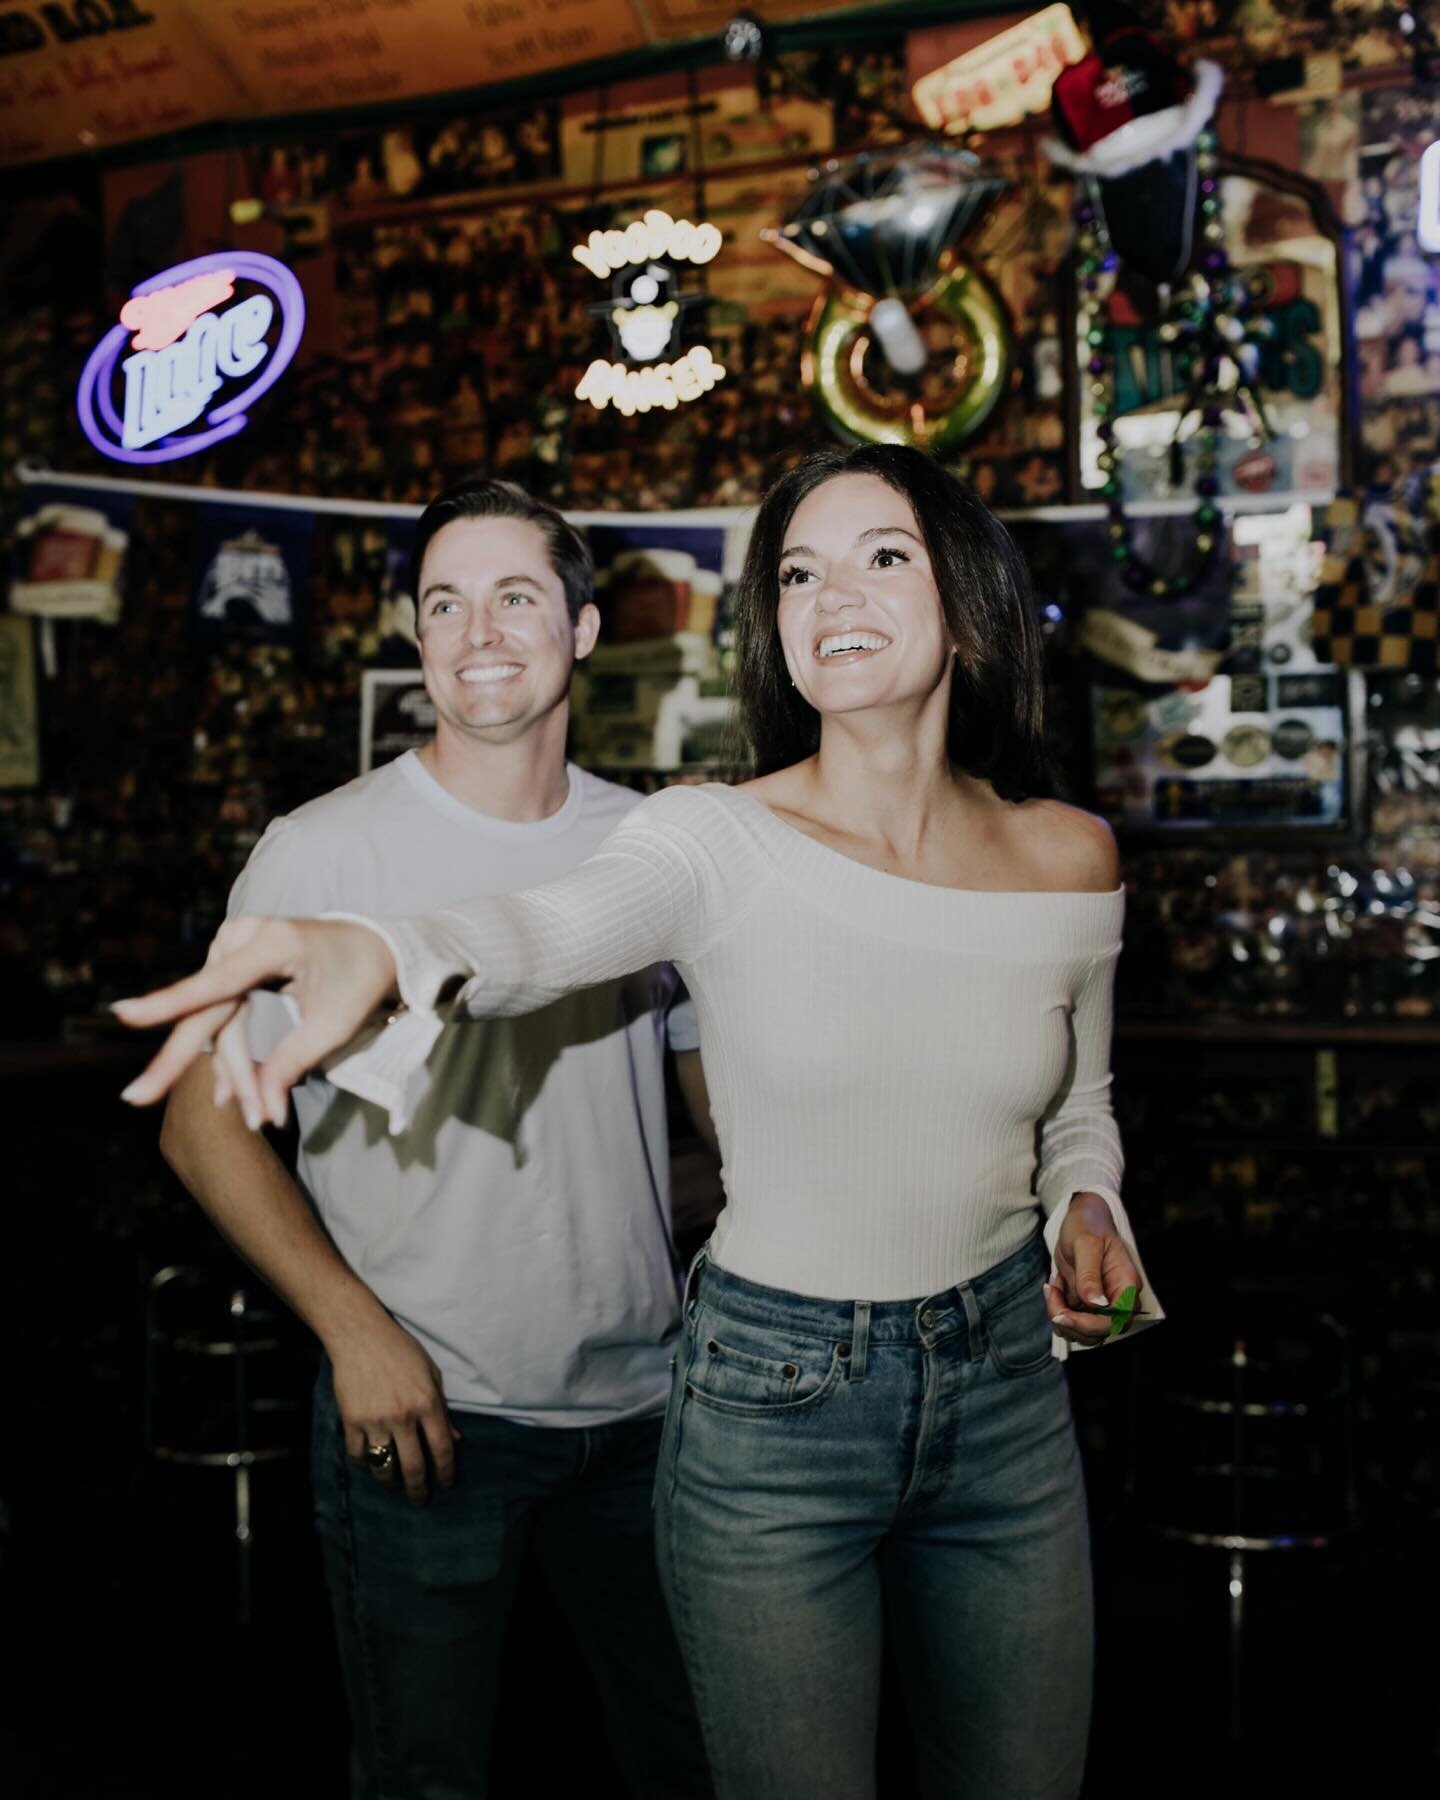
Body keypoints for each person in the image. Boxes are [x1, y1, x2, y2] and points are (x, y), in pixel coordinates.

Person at [120, 444, 1159, 1800]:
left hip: (778, 1377)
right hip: (610, 1391)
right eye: (797, 570)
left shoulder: (1060, 854)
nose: (832, 592)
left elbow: (1066, 1101)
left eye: (882, 555)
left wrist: (1089, 1207)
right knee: (439, 1762)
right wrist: (379, 953)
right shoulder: (690, 839)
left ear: (967, 602)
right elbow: (525, 936)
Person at [154, 477, 713, 1800]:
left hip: (649, 1411)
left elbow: (710, 1109)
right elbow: (197, 1120)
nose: (477, 633)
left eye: (515, 596)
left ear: (584, 628)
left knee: (697, 1762)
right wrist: (354, 1331)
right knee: (427, 1777)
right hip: (425, 1407)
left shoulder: (660, 848)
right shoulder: (324, 850)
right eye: (444, 604)